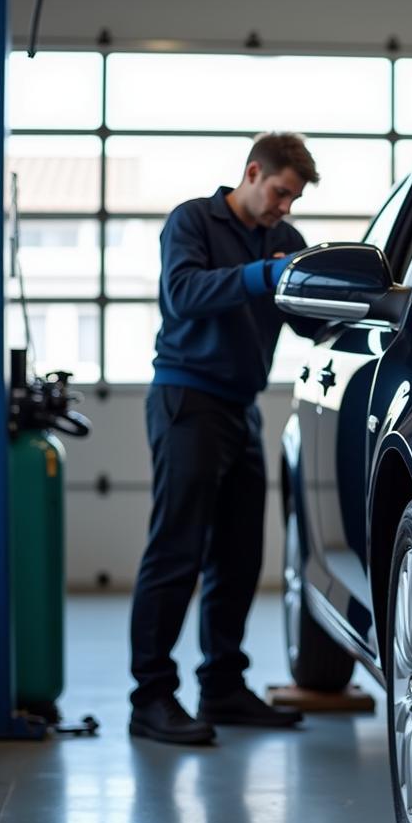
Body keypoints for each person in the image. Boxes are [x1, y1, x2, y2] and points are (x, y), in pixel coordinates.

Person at [129, 132, 320, 745]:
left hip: (240, 408)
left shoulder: (283, 241)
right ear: (254, 171)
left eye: (292, 201)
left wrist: (349, 290)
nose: (284, 208)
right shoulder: (192, 221)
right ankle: (151, 697)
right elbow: (183, 295)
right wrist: (265, 274)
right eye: (280, 193)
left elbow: (309, 318)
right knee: (177, 548)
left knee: (238, 554)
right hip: (187, 397)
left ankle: (222, 687)